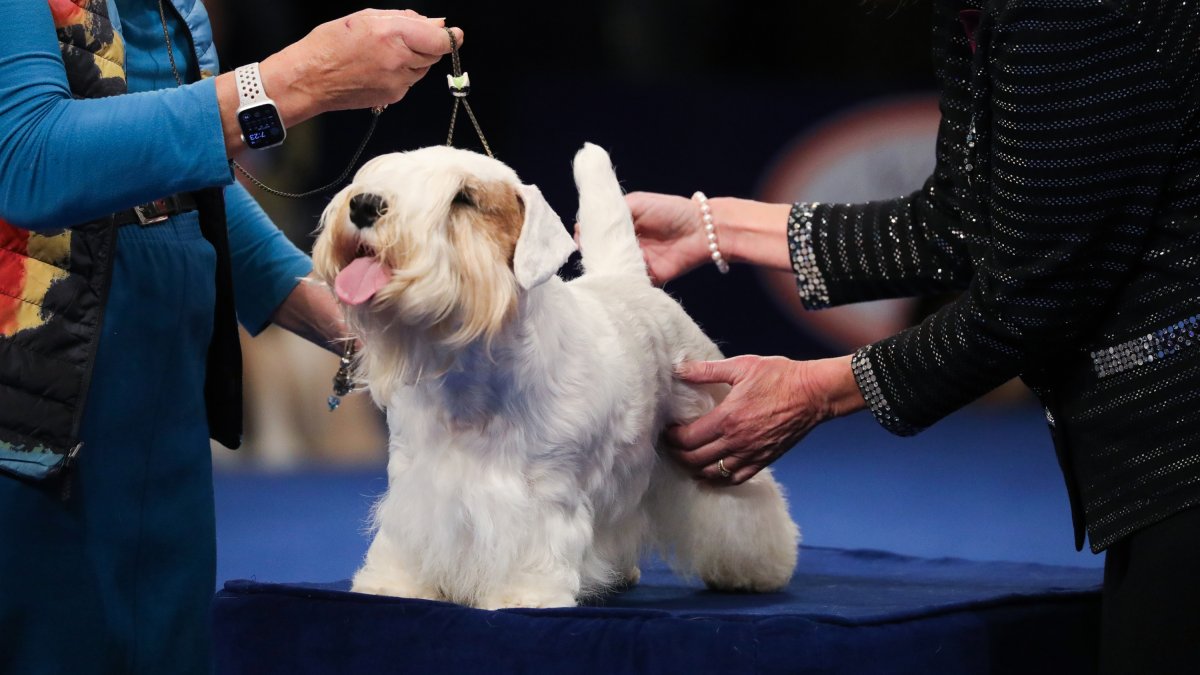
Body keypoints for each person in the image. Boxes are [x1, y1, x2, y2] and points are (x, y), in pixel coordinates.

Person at [624, 1, 1199, 672]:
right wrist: (714, 226)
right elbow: (957, 224)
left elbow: (1032, 297)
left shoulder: (1062, 13)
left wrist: (816, 390)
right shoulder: (973, 13)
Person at [0, 1, 462, 673]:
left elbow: (183, 185)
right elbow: (27, 156)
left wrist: (368, 332)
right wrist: (295, 81)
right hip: (28, 426)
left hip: (162, 420)